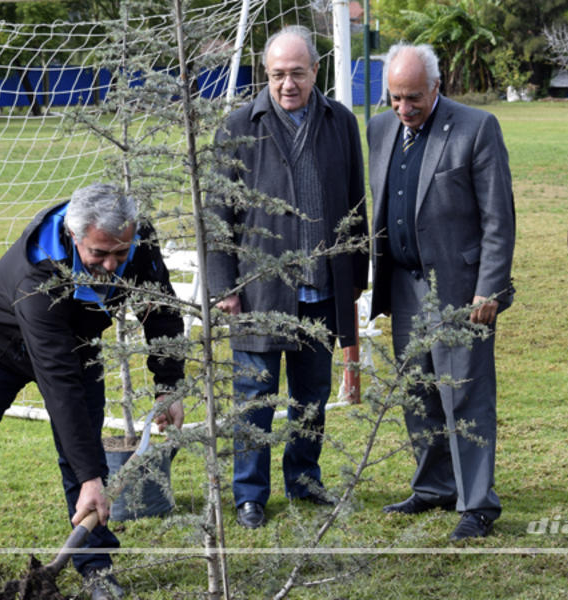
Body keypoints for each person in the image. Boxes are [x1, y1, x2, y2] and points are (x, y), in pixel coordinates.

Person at [0, 183, 185, 599]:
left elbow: (161, 311)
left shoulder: (137, 243)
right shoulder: (38, 274)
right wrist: (90, 478)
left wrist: (168, 386)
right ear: (73, 236)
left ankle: (96, 568)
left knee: (84, 455)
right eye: (98, 254)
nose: (111, 265)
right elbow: (59, 383)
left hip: (78, 344)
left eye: (120, 254)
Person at [206, 25, 368, 530]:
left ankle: (304, 478)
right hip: (258, 293)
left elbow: (356, 204)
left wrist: (354, 279)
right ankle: (249, 494)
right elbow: (216, 215)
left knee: (311, 397)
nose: (287, 84)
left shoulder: (340, 121)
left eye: (297, 73)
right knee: (253, 398)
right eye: (277, 75)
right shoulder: (237, 125)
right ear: (266, 75)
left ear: (316, 72)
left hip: (321, 289)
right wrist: (223, 286)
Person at [367, 43, 515, 541]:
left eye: (413, 98)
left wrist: (489, 289)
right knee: (418, 393)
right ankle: (434, 486)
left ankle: (477, 504)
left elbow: (499, 217)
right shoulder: (380, 128)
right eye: (395, 98)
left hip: (460, 290)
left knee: (466, 397)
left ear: (436, 87)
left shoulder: (476, 128)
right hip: (404, 286)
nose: (404, 109)